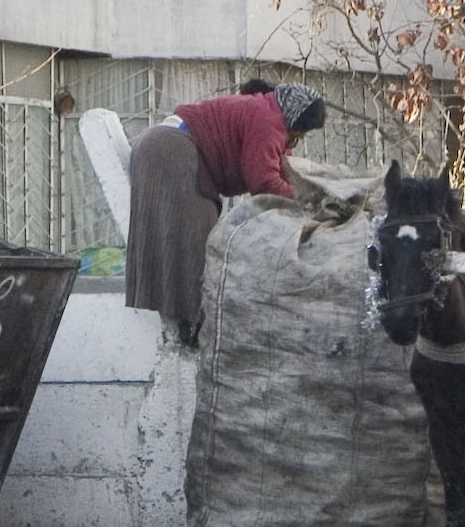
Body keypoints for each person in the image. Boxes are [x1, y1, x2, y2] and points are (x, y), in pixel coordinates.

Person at [123, 80, 328, 344]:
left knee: (201, 232)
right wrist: (309, 200)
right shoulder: (268, 119)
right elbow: (264, 182)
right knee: (196, 237)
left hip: (166, 146)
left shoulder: (267, 112)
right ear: (295, 118)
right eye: (300, 131)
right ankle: (191, 327)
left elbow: (278, 169)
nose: (298, 139)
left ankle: (193, 323)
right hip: (171, 150)